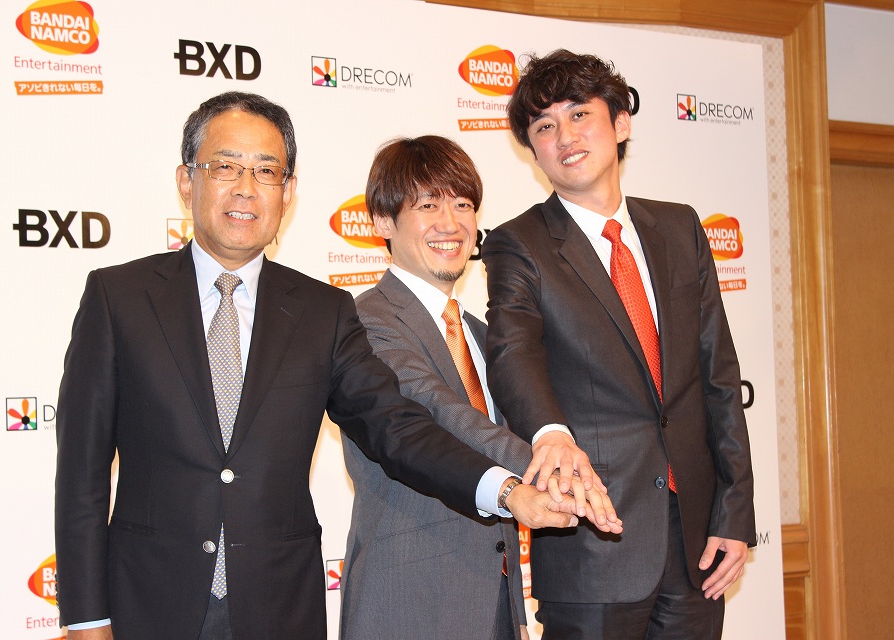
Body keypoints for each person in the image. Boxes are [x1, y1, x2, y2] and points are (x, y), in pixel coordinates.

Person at [53, 92, 591, 640]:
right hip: (146, 602)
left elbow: (396, 429)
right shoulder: (119, 298)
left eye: (266, 171)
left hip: (279, 608)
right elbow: (81, 475)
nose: (246, 187)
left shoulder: (321, 311)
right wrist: (86, 618)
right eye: (226, 167)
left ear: (287, 193)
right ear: (187, 181)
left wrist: (507, 491)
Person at [482, 51, 756, 640]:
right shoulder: (517, 243)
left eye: (580, 114)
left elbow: (718, 377)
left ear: (621, 123)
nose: (565, 136)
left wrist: (734, 512)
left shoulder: (680, 228)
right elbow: (512, 352)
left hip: (697, 543)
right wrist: (550, 433)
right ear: (533, 151)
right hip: (591, 540)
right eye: (544, 126)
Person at [339, 136, 623, 640]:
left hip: (496, 600)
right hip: (409, 599)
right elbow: (441, 414)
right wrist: (554, 468)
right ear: (382, 221)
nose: (450, 224)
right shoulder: (366, 321)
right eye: (428, 205)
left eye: (463, 205)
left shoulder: (480, 333)